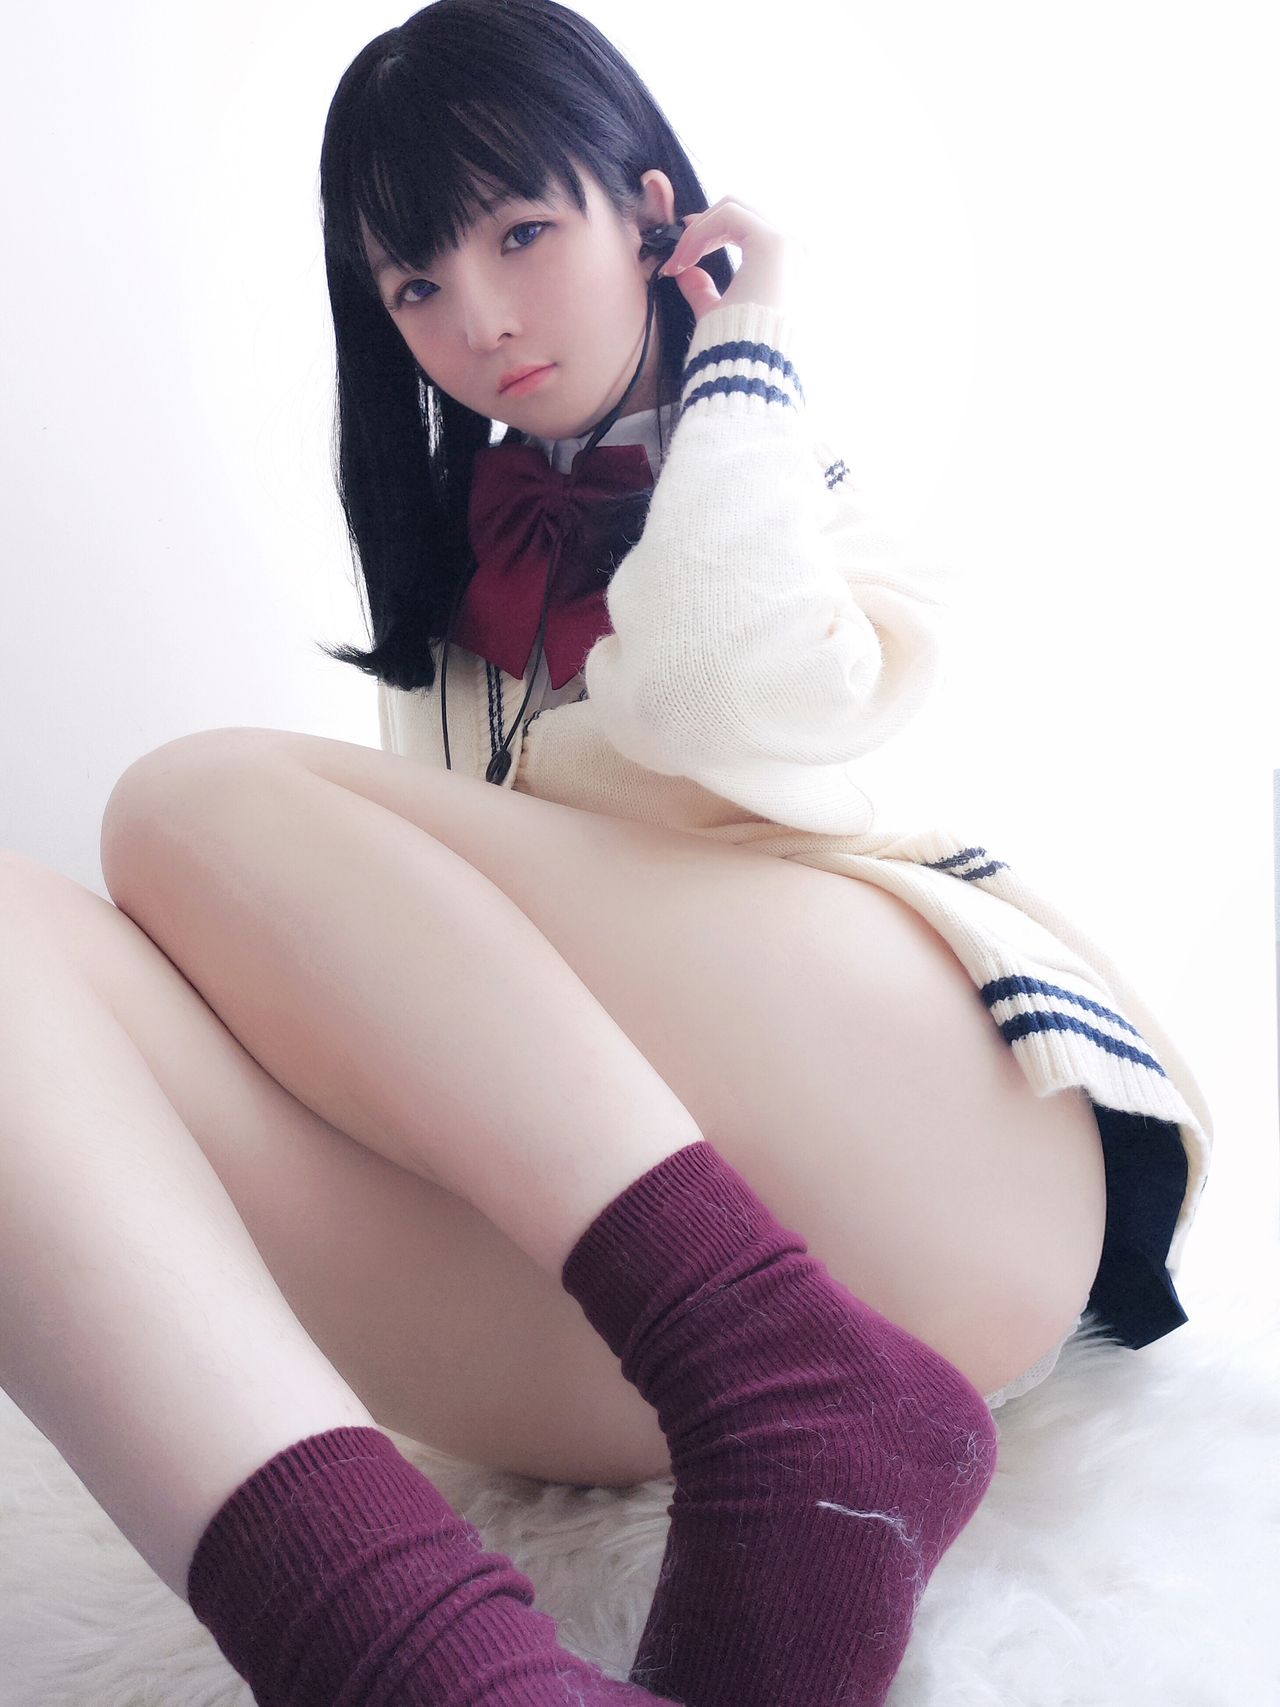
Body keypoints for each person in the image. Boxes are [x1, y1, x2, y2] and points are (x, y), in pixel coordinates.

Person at [0, 2, 1213, 1704]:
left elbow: (717, 694)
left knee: (181, 801)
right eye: (416, 286)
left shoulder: (795, 485)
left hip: (956, 1161)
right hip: (634, 1323)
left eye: (520, 233)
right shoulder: (460, 620)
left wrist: (742, 356)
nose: (480, 320)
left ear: (651, 214)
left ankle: (797, 1383)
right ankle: (426, 1667)